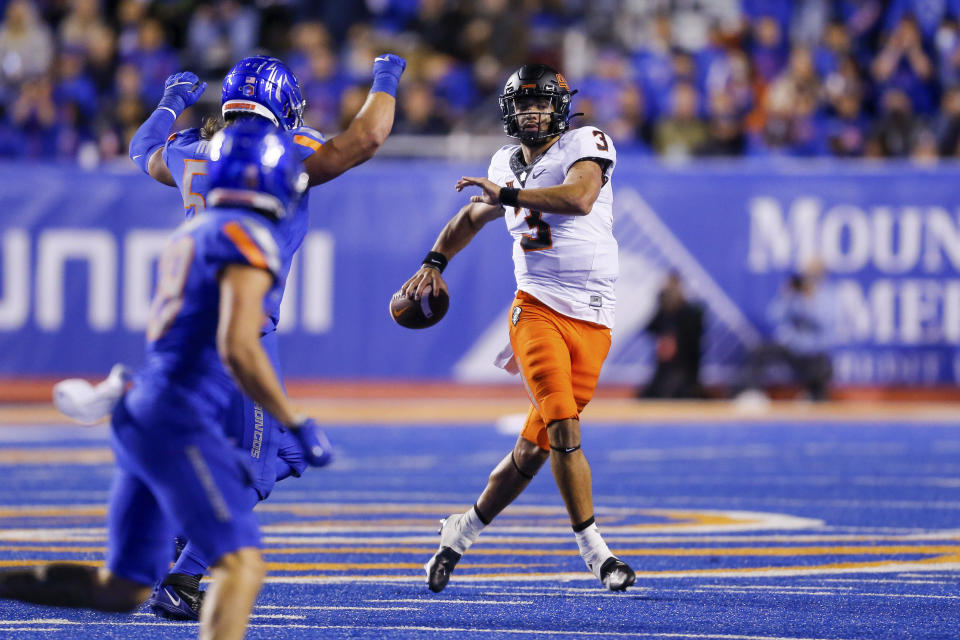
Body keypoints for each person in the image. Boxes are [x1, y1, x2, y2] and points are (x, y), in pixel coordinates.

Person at [0, 120, 332, 640]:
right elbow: (238, 345)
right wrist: (297, 418)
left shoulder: (192, 231)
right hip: (180, 417)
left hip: (144, 410)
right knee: (241, 565)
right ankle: (184, 570)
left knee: (122, 589)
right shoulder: (248, 237)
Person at [126, 52, 405, 619]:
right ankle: (182, 577)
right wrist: (387, 74)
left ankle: (183, 529)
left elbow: (142, 152)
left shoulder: (191, 152)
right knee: (256, 464)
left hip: (187, 327)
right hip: (242, 328)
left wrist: (171, 101)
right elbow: (368, 137)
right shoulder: (284, 153)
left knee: (279, 451)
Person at [401, 63, 635, 593]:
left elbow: (578, 198)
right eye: (524, 102)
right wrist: (434, 261)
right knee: (564, 428)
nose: (534, 110)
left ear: (561, 105)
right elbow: (469, 217)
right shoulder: (504, 163)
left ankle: (460, 531)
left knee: (534, 450)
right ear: (510, 111)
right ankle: (598, 555)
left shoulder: (586, 141)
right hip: (536, 308)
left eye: (542, 101)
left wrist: (504, 196)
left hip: (595, 316)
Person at [738, 261, 835, 401]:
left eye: (813, 274)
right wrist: (786, 295)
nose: (809, 277)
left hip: (814, 350)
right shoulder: (795, 293)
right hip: (791, 347)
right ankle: (752, 393)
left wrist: (809, 302)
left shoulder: (828, 295)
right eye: (807, 273)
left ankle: (814, 397)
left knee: (821, 368)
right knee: (759, 352)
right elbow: (773, 316)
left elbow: (824, 322)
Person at [639, 271, 704, 399]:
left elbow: (693, 338)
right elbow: (649, 328)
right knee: (648, 396)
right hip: (664, 370)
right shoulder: (663, 312)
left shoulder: (690, 313)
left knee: (676, 393)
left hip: (683, 371)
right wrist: (662, 303)